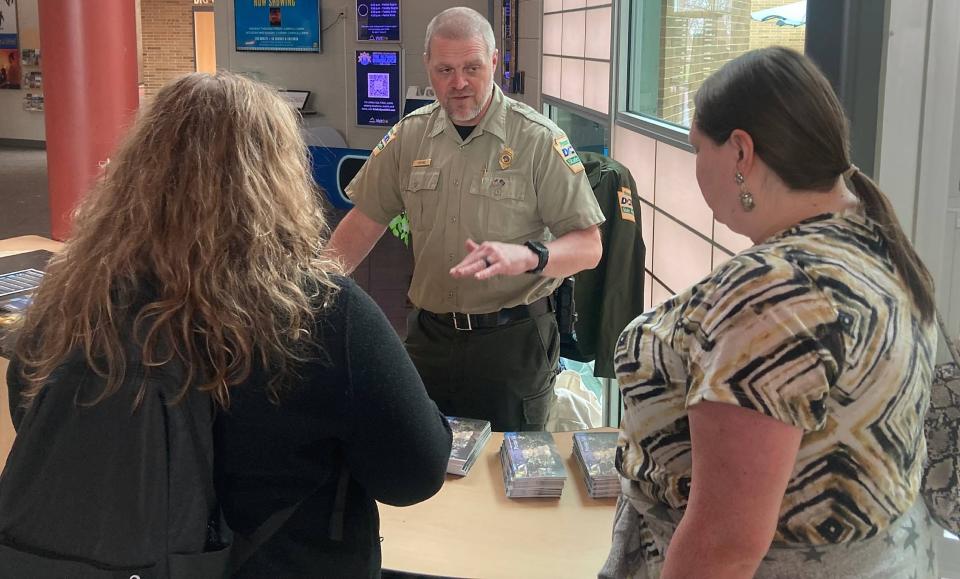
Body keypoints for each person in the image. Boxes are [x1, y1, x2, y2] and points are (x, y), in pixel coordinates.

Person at [5, 71, 451, 577]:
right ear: (276, 180)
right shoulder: (322, 313)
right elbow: (414, 475)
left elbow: (31, 407)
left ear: (136, 169)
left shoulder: (73, 300)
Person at [601, 47, 938, 578]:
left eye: (696, 148)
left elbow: (725, 545)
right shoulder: (872, 240)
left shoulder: (775, 294)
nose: (695, 168)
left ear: (740, 152)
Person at [329, 7, 605, 432]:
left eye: (472, 67)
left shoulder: (537, 139)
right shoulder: (409, 136)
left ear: (493, 62)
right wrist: (308, 292)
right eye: (445, 69)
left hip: (512, 344)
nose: (458, 83)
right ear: (428, 67)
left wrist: (529, 256)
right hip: (429, 340)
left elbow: (589, 246)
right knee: (425, 474)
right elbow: (364, 223)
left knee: (507, 478)